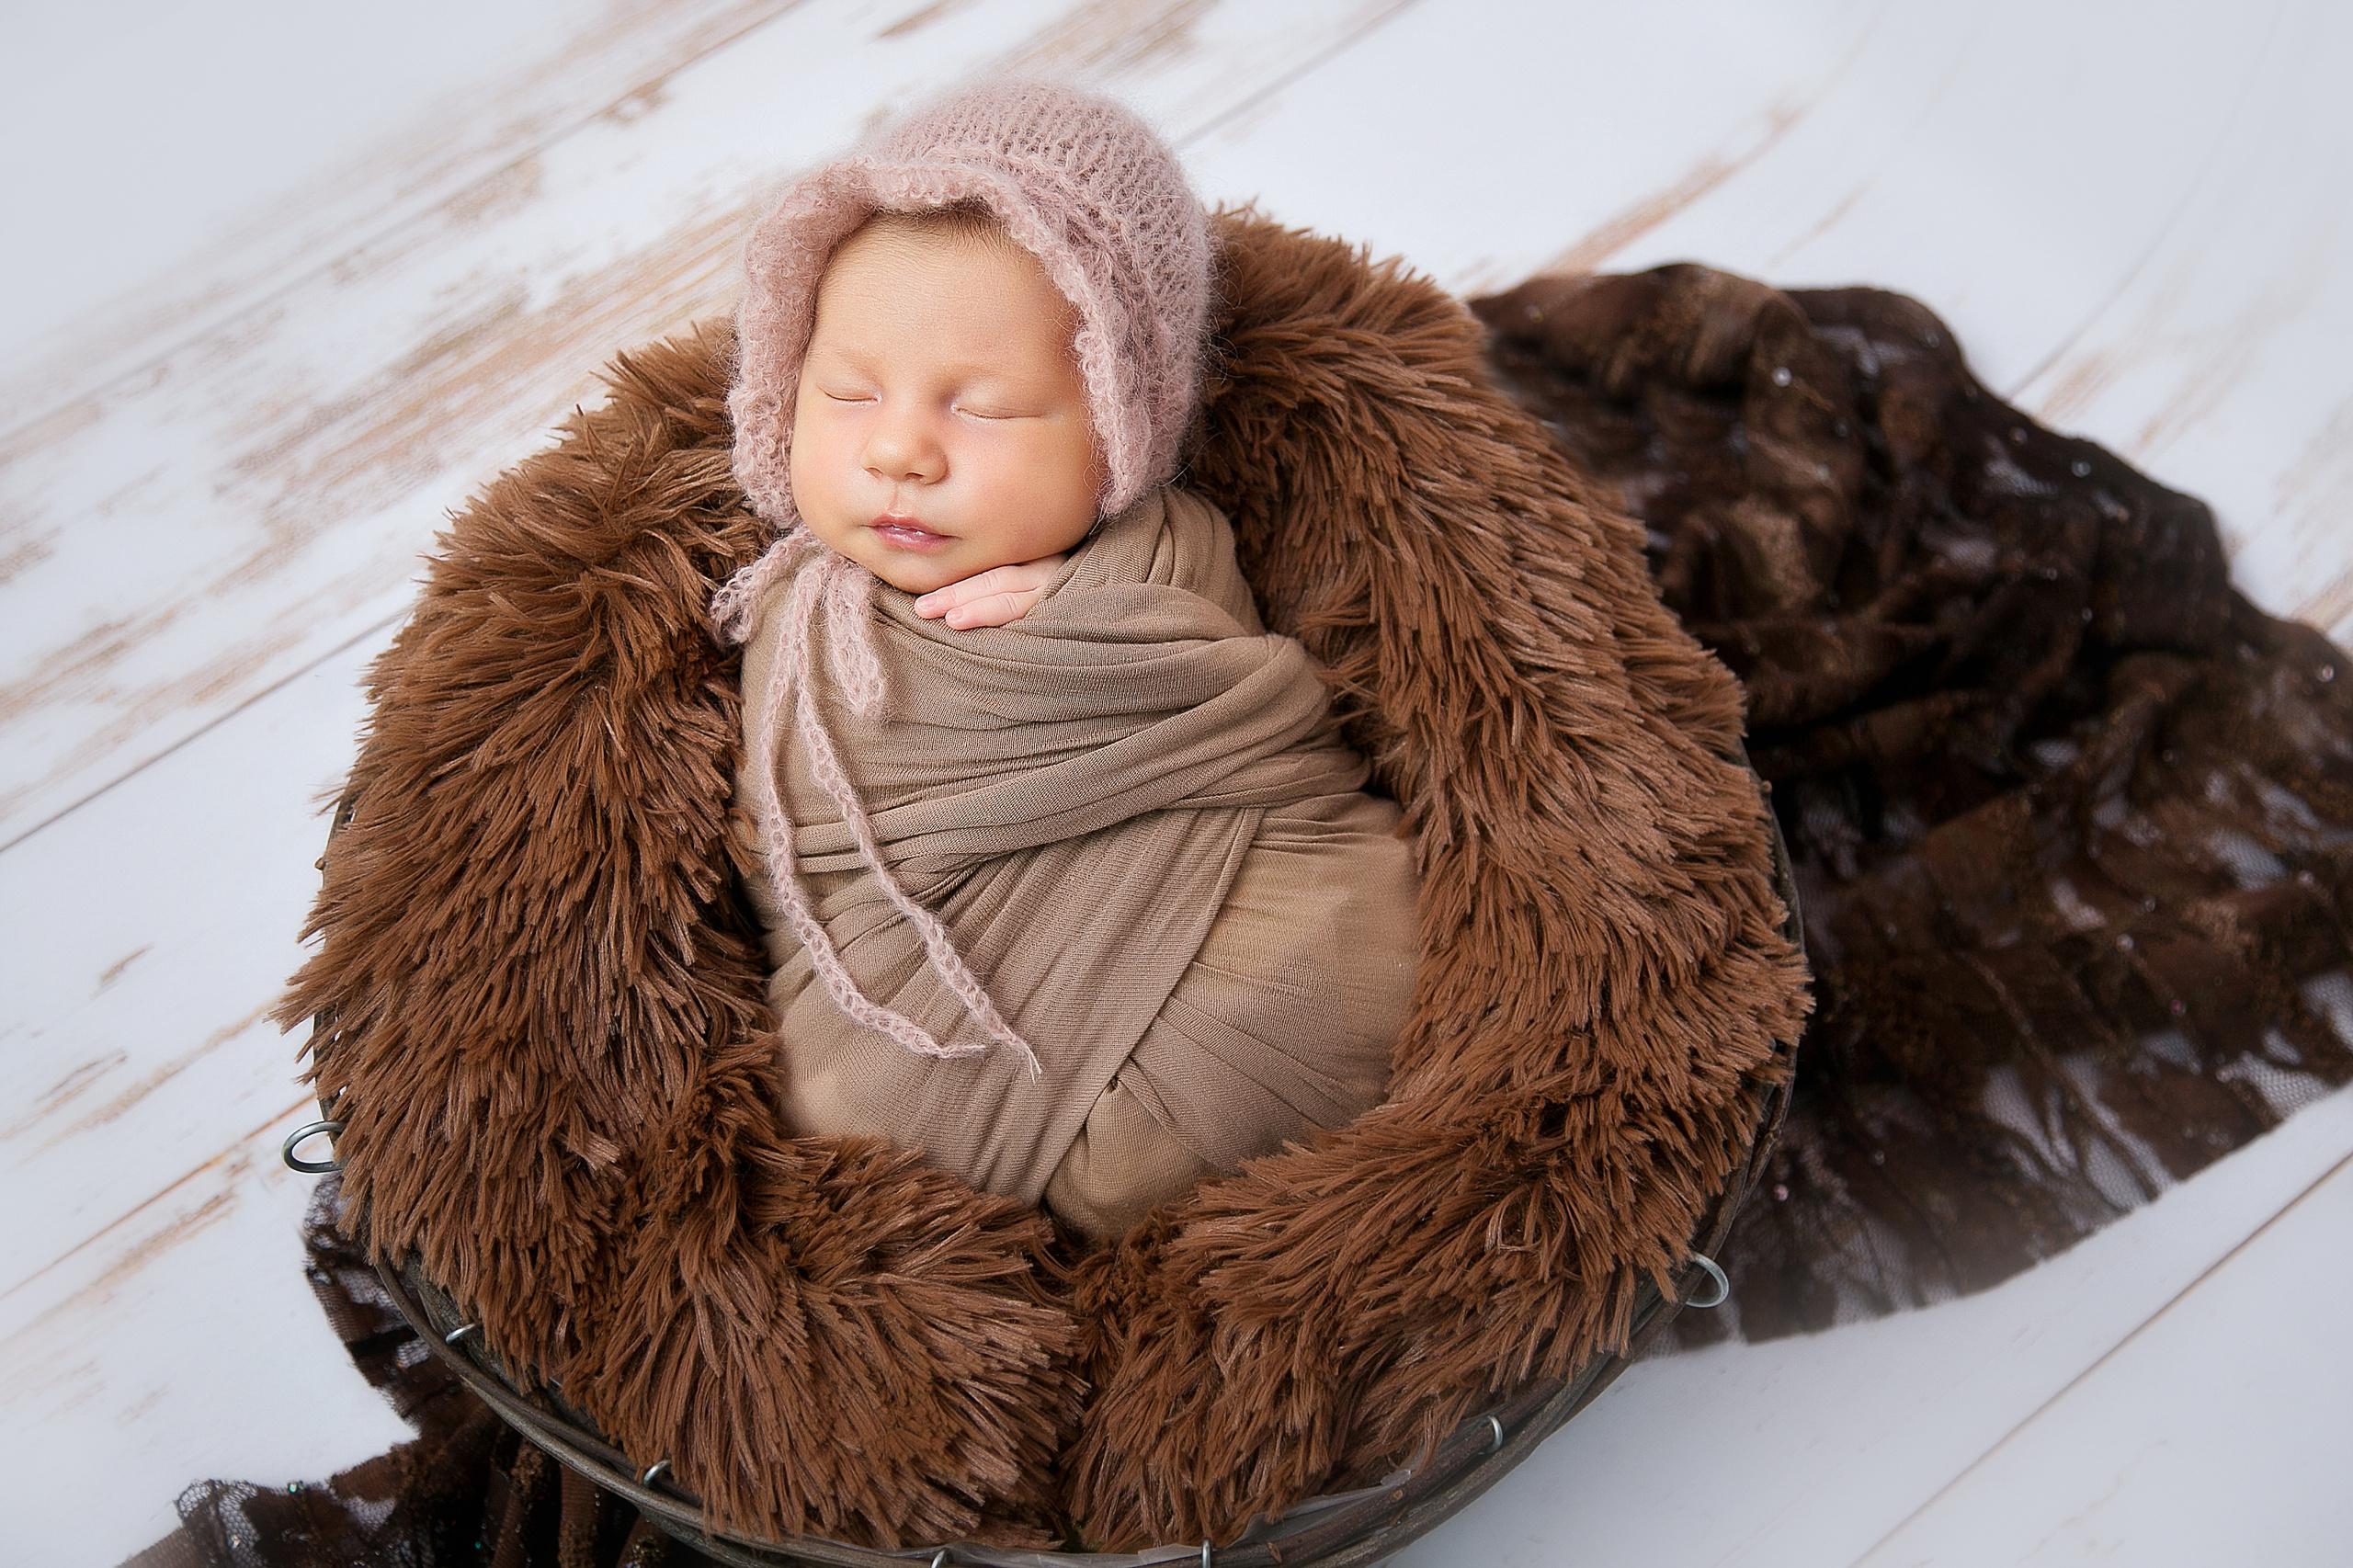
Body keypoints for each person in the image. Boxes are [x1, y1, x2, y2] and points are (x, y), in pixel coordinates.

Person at [710, 81, 1418, 1244]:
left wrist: (1093, 619)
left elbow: (1253, 721)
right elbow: (791, 863)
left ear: (1117, 428)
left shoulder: (1174, 547)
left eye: (982, 409)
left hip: (1239, 947)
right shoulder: (785, 612)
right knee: (830, 1104)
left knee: (1354, 937)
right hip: (922, 1014)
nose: (896, 449)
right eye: (846, 395)